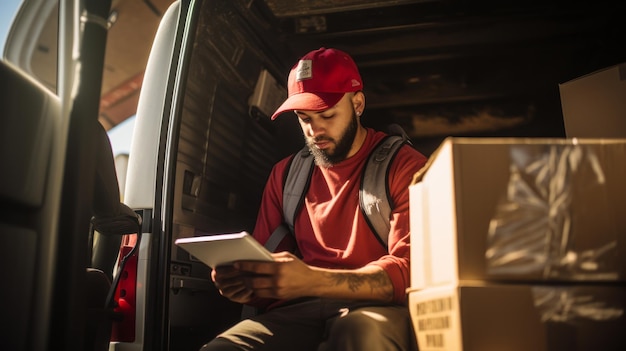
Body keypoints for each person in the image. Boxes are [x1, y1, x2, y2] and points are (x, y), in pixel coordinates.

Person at [200, 47, 428, 351]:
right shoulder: (285, 175)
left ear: (358, 103)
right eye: (303, 117)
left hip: (376, 307)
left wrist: (310, 280)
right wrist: (246, 285)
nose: (314, 129)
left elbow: (408, 271)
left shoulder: (405, 165)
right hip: (298, 311)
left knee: (361, 334)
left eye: (327, 114)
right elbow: (267, 271)